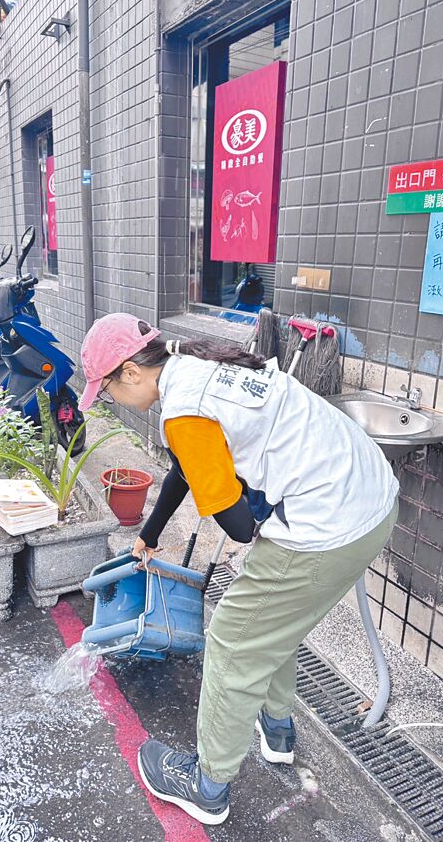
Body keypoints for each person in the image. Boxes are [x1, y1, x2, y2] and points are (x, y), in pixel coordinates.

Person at [77, 313, 399, 826]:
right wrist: (150, 533)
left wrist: (239, 494)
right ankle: (277, 731)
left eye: (108, 389)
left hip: (328, 524)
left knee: (232, 637)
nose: (112, 399)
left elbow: (241, 528)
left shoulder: (183, 410)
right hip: (368, 496)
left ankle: (208, 786)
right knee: (274, 621)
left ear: (131, 373)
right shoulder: (194, 363)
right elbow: (187, 468)